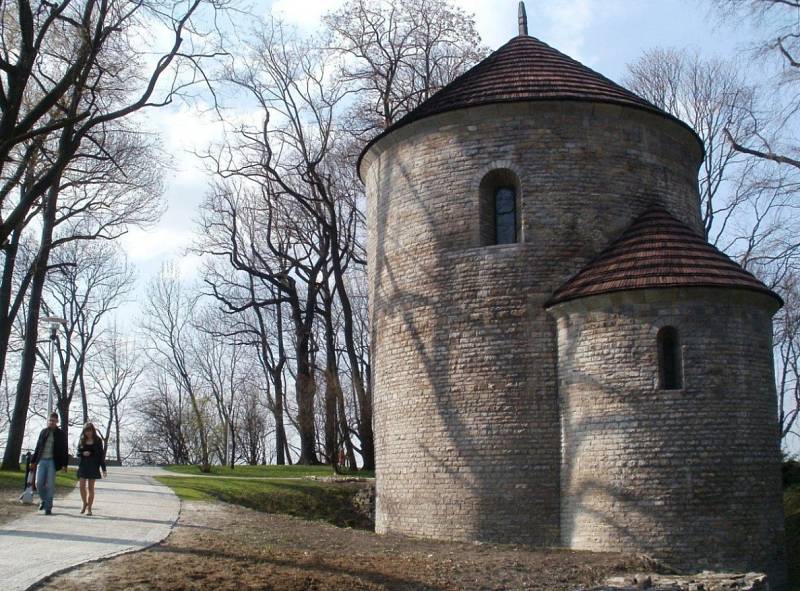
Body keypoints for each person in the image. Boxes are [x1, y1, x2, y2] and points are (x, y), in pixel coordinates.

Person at [29, 412, 69, 515]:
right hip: (41, 460)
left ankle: (48, 507)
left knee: (50, 484)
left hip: (52, 461)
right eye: (50, 420)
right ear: (48, 421)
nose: (51, 422)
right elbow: (38, 447)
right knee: (38, 483)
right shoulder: (43, 432)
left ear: (57, 422)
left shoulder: (61, 434)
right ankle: (44, 500)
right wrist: (33, 461)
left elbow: (65, 449)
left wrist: (65, 464)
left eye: (54, 421)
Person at [77, 422, 106, 516]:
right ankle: (84, 503)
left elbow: (101, 455)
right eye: (86, 431)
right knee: (81, 486)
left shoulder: (98, 440)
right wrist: (82, 453)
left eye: (89, 430)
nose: (88, 433)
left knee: (90, 488)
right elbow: (78, 452)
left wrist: (103, 469)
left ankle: (89, 508)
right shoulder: (82, 440)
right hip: (83, 465)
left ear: (93, 430)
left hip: (93, 465)